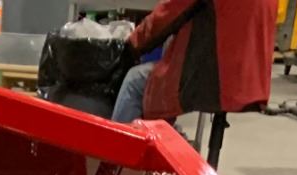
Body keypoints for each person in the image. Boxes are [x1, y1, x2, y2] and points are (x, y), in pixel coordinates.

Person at [112, 0, 275, 126]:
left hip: (219, 81)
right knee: (163, 77)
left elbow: (168, 14)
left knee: (135, 81)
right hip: (252, 81)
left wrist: (131, 46)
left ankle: (116, 155)